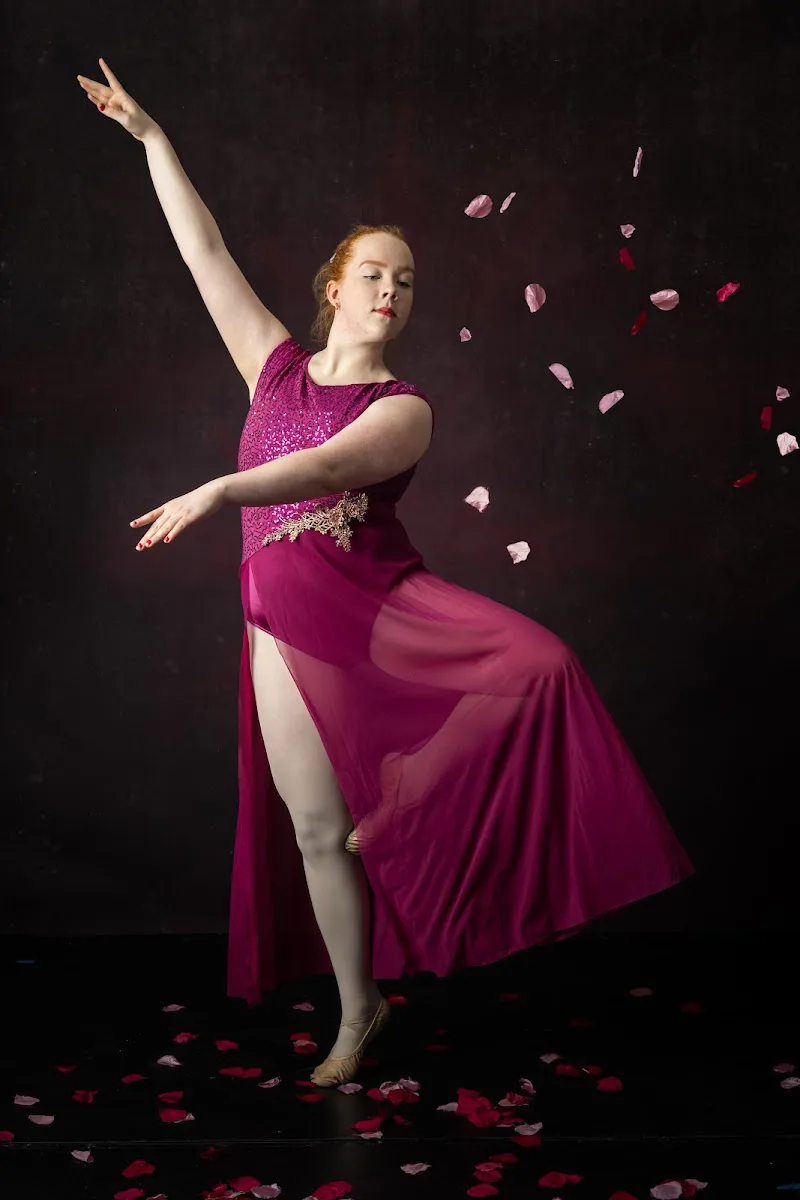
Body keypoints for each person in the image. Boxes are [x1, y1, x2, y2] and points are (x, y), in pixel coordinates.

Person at [78, 59, 695, 1090]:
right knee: (316, 828)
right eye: (373, 274)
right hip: (279, 626)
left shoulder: (403, 409)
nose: (390, 291)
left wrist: (221, 489)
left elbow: (326, 470)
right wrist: (151, 139)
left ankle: (406, 795)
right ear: (335, 288)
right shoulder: (273, 367)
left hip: (376, 613)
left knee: (538, 666)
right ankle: (360, 1008)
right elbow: (203, 251)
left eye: (405, 282)